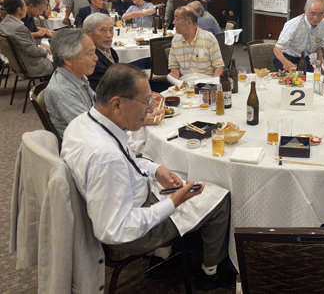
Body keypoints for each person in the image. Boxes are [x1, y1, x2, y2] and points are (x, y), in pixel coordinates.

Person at [61, 64, 235, 290]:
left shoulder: (83, 123)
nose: (151, 108)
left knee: (180, 173)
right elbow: (114, 230)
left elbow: (127, 158)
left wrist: (155, 169)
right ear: (117, 104)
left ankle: (165, 255)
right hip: (132, 234)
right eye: (145, 102)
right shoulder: (105, 158)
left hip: (127, 197)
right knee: (220, 197)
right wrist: (174, 203)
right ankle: (210, 273)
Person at [44, 29, 98, 138]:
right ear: (68, 60)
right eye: (90, 53)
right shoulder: (62, 91)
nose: (96, 58)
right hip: (85, 143)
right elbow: (90, 129)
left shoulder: (78, 77)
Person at [273, 0, 324, 72]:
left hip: (304, 58)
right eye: (312, 13)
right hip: (287, 58)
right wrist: (285, 62)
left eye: (320, 14)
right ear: (305, 10)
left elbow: (321, 48)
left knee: (312, 77)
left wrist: (318, 67)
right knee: (293, 78)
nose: (316, 18)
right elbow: (277, 48)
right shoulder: (294, 25)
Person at [0, 0, 53, 77]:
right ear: (19, 10)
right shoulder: (18, 28)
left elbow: (22, 45)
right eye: (25, 6)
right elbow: (33, 52)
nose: (26, 8)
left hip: (17, 63)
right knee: (62, 63)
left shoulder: (3, 23)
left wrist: (39, 46)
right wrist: (45, 51)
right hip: (31, 65)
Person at [169, 6, 224, 78]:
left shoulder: (209, 38)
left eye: (177, 19)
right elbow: (174, 65)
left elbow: (219, 66)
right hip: (185, 82)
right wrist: (174, 76)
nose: (173, 22)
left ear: (188, 22)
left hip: (206, 81)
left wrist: (214, 82)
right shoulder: (176, 40)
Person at [83, 13, 119, 90]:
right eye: (103, 30)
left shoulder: (111, 51)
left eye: (111, 30)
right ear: (89, 33)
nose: (109, 35)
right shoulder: (90, 59)